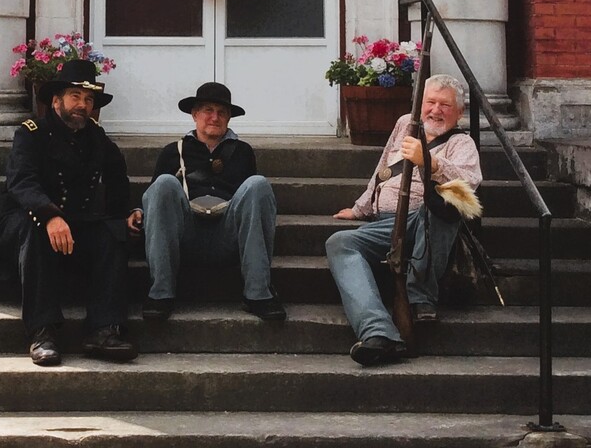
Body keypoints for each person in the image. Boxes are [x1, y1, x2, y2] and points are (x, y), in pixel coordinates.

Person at [325, 74, 482, 366]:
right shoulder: (404, 124)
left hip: (427, 224)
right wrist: (361, 208)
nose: (435, 110)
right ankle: (378, 332)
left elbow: (469, 185)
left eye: (445, 105)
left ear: (459, 113)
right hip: (386, 223)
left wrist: (432, 163)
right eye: (430, 102)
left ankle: (420, 293)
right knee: (340, 243)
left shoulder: (462, 143)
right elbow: (384, 167)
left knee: (442, 206)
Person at [0, 58, 138, 367]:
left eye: (88, 99)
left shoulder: (96, 137)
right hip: (23, 224)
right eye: (75, 96)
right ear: (56, 100)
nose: (83, 105)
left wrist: (126, 212)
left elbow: (117, 178)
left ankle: (103, 329)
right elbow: (22, 182)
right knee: (36, 227)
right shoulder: (31, 133)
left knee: (111, 232)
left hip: (76, 226)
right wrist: (50, 215)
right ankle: (42, 332)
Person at [133, 81, 286, 322]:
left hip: (227, 236)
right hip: (186, 233)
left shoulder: (243, 151)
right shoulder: (173, 151)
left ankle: (258, 293)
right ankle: (160, 293)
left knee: (258, 184)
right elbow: (156, 199)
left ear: (228, 118)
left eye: (221, 112)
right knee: (164, 183)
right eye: (207, 110)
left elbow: (251, 205)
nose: (214, 117)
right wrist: (137, 211)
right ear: (194, 115)